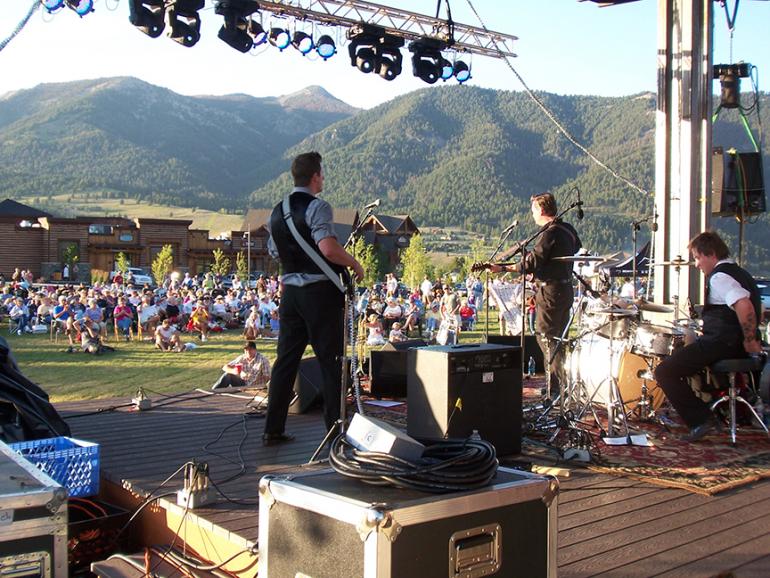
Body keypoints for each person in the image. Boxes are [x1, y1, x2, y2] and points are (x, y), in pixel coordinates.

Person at [263, 151, 364, 446]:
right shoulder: (318, 207)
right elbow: (328, 249)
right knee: (331, 362)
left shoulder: (276, 211)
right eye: (322, 174)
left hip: (290, 294)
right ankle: (334, 431)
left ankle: (273, 429)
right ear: (316, 176)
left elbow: (274, 251)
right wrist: (355, 263)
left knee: (286, 361)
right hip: (319, 294)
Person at [654, 231, 762, 442]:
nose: (696, 264)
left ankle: (701, 420)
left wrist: (750, 340)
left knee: (665, 371)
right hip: (730, 342)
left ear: (711, 254)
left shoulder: (720, 277)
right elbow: (758, 309)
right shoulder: (741, 273)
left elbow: (744, 305)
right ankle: (714, 411)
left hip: (723, 343)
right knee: (687, 360)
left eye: (697, 257)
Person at [490, 192, 581, 393]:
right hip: (565, 289)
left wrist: (503, 268)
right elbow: (575, 248)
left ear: (541, 210)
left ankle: (555, 387)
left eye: (533, 210)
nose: (532, 214)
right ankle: (561, 384)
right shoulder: (567, 229)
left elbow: (531, 262)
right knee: (559, 338)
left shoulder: (549, 233)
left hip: (550, 293)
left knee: (546, 338)